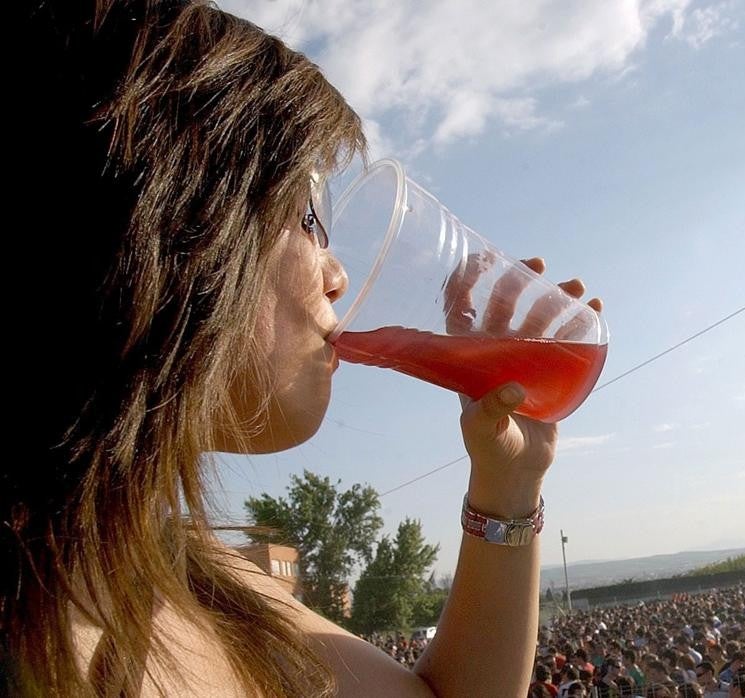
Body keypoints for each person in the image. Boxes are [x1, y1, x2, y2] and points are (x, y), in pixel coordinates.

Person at [4, 1, 601, 696]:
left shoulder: (198, 577)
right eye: (307, 213)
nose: (339, 274)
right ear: (175, 225)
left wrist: (507, 487)